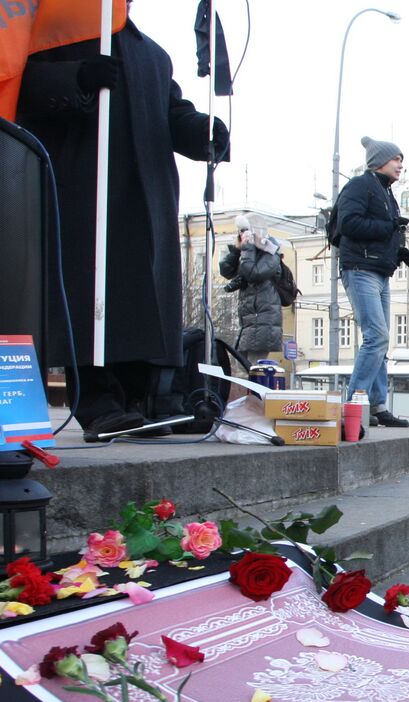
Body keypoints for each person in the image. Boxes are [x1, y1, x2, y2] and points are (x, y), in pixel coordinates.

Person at [18, 10, 229, 442]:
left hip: (145, 197)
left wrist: (202, 132)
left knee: (138, 301)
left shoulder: (152, 54)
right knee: (84, 297)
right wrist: (75, 77)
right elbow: (20, 89)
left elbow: (173, 111)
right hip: (82, 189)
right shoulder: (55, 35)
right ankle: (94, 399)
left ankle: (142, 398)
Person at [336, 135, 409, 428]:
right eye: (396, 159)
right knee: (377, 337)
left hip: (378, 270)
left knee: (380, 341)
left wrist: (402, 253)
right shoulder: (360, 186)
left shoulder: (386, 194)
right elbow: (348, 224)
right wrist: (390, 226)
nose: (400, 165)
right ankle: (355, 403)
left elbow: (384, 233)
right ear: (379, 161)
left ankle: (377, 405)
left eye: (401, 160)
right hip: (360, 268)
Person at [219, 215, 284, 357]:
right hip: (249, 321)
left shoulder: (271, 253)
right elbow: (226, 270)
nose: (243, 234)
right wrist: (237, 250)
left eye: (246, 231)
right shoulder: (246, 252)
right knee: (243, 364)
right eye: (240, 231)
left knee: (254, 368)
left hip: (262, 321)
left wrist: (247, 247)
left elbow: (253, 274)